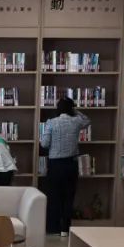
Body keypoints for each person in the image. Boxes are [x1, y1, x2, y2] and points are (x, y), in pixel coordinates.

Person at [40, 97, 90, 235]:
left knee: (54, 196)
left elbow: (44, 144)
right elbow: (87, 120)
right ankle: (65, 229)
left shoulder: (51, 122)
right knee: (69, 197)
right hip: (71, 164)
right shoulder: (76, 121)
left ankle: (53, 228)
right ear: (70, 109)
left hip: (55, 165)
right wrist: (75, 110)